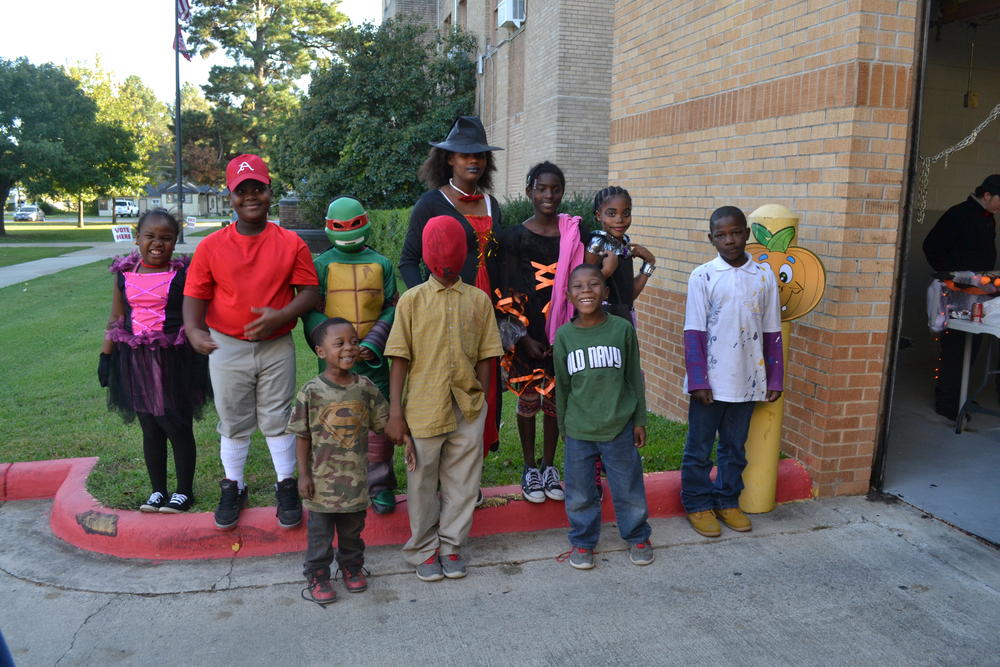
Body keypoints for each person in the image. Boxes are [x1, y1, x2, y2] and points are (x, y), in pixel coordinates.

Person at [183, 154, 320, 531]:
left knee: (277, 417)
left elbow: (309, 292)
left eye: (257, 188)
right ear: (230, 197)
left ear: (269, 191)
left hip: (276, 345)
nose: (251, 196)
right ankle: (234, 485)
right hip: (227, 344)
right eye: (242, 191)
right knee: (234, 418)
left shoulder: (290, 243)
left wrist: (281, 315)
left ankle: (286, 484)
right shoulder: (212, 246)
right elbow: (195, 292)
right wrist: (194, 330)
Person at [385, 215, 504, 582]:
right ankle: (423, 548)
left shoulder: (479, 301)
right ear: (425, 255)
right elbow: (399, 359)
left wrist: (480, 400)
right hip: (422, 407)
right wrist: (395, 412)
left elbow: (487, 355)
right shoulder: (411, 301)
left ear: (466, 252)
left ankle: (451, 546)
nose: (447, 259)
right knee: (421, 482)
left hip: (467, 407)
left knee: (463, 481)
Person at [399, 115, 503, 456]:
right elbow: (408, 261)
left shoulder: (493, 205)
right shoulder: (430, 203)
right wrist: (425, 304)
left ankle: (469, 473)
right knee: (445, 389)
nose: (473, 160)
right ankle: (440, 471)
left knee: (483, 388)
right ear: (449, 159)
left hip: (484, 312)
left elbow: (498, 257)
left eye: (479, 155)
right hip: (443, 313)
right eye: (464, 154)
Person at [681, 206, 783, 538]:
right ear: (711, 239)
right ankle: (697, 503)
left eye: (736, 232)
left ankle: (727, 500)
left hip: (748, 379)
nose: (730, 240)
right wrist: (698, 379)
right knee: (699, 447)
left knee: (734, 447)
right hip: (710, 383)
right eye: (722, 235)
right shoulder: (703, 276)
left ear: (747, 233)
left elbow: (772, 331)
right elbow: (693, 331)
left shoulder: (764, 276)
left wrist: (775, 377)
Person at [100, 209, 210, 513]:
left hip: (175, 361)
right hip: (135, 361)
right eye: (150, 236)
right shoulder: (125, 273)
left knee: (176, 423)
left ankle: (184, 491)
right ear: (137, 238)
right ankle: (158, 490)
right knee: (149, 426)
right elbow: (116, 317)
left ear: (175, 241)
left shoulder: (183, 274)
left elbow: (199, 314)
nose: (157, 243)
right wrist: (105, 356)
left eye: (166, 237)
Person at [553, 263, 653, 570]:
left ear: (605, 291)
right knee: (581, 491)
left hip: (619, 426)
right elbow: (563, 388)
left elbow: (633, 378)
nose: (587, 291)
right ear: (569, 295)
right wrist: (563, 428)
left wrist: (639, 420)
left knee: (628, 487)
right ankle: (583, 542)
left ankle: (637, 535)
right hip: (579, 429)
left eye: (594, 284)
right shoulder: (564, 337)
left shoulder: (621, 329)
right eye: (579, 287)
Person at [303, 196, 399, 515]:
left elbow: (391, 307)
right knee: (335, 419)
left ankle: (380, 483)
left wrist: (372, 343)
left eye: (353, 224)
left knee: (378, 419)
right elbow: (312, 311)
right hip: (334, 365)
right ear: (329, 228)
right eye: (340, 226)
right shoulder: (321, 265)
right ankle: (336, 482)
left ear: (365, 221)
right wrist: (333, 348)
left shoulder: (382, 263)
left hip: (373, 358)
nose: (348, 231)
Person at [497, 161, 583, 503]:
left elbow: (584, 280)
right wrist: (522, 337)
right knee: (529, 399)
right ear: (530, 190)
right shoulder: (515, 236)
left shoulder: (573, 234)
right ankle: (529, 467)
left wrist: (568, 334)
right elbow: (505, 290)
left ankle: (550, 466)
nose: (549, 195)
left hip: (564, 333)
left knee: (555, 403)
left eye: (556, 189)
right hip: (528, 335)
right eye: (542, 188)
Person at [289, 317, 390, 605]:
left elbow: (385, 423)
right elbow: (302, 436)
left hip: (355, 482)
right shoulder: (311, 391)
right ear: (321, 352)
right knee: (320, 534)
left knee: (352, 531)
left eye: (355, 342)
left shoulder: (365, 387)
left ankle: (351, 566)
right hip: (321, 483)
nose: (350, 348)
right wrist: (304, 475)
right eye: (340, 343)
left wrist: (406, 439)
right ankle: (317, 574)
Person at [922, 174, 1000, 420]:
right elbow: (930, 246)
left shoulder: (988, 219)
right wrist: (953, 277)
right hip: (956, 294)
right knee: (955, 346)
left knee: (973, 345)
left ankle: (960, 394)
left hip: (979, 294)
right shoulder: (959, 214)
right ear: (986, 195)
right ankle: (947, 401)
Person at [584, 186, 658, 324]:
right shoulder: (597, 243)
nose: (620, 220)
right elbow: (584, 286)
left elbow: (628, 296)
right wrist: (606, 271)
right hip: (600, 321)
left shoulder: (625, 244)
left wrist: (649, 263)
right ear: (598, 215)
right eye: (611, 214)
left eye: (626, 213)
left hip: (624, 317)